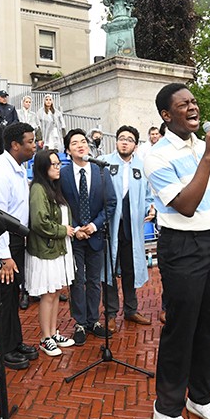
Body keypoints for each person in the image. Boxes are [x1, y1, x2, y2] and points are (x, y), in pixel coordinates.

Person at [144, 83, 210, 419]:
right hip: (182, 247)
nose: (193, 107)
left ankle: (200, 396)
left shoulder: (203, 146)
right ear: (167, 115)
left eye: (194, 101)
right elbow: (185, 204)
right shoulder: (156, 156)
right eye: (183, 104)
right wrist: (208, 159)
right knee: (181, 329)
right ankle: (167, 408)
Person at [0, 122, 40, 368]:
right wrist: (4, 256)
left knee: (13, 295)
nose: (34, 145)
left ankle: (15, 341)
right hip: (2, 243)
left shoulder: (18, 167)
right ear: (15, 145)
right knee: (2, 297)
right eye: (30, 141)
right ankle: (5, 350)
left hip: (15, 240)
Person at [60, 129, 117, 345]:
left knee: (94, 280)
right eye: (74, 143)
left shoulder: (101, 171)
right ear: (68, 150)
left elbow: (110, 203)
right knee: (77, 280)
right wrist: (76, 229)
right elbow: (61, 205)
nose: (80, 145)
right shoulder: (63, 175)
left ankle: (94, 321)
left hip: (95, 235)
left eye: (83, 141)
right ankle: (80, 323)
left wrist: (93, 226)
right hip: (74, 237)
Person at [99, 125, 155, 332]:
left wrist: (151, 208)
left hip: (132, 226)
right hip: (110, 225)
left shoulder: (142, 166)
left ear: (135, 145)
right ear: (116, 141)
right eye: (121, 138)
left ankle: (131, 310)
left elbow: (150, 195)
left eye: (129, 139)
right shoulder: (105, 162)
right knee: (110, 269)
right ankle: (110, 313)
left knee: (130, 268)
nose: (125, 142)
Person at [26, 149, 77, 356]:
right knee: (48, 294)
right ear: (42, 167)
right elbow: (39, 222)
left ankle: (53, 332)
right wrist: (63, 230)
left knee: (56, 292)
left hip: (59, 247)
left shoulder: (53, 188)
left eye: (58, 164)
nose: (58, 167)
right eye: (53, 164)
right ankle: (45, 337)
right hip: (47, 249)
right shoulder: (38, 189)